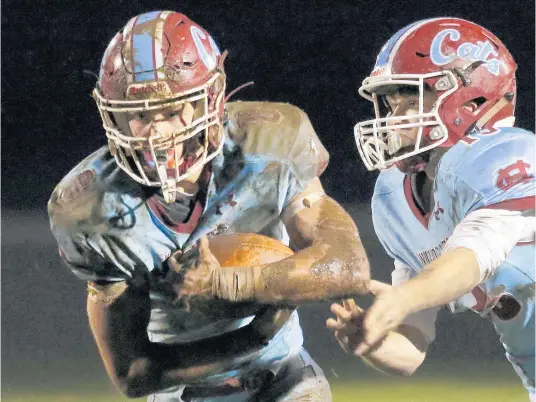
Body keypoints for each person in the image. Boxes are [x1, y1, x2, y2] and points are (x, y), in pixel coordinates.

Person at [48, 10, 371, 402]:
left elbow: (348, 265)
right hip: (180, 393)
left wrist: (231, 284)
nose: (158, 132)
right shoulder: (94, 208)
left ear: (211, 100)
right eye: (140, 116)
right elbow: (134, 374)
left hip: (283, 379)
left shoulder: (268, 144)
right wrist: (253, 336)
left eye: (170, 111)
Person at [326, 17, 535, 399]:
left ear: (471, 99)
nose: (393, 119)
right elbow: (411, 348)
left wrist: (404, 298)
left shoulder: (505, 155)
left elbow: (471, 257)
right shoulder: (395, 195)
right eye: (391, 103)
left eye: (412, 99)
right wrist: (371, 339)